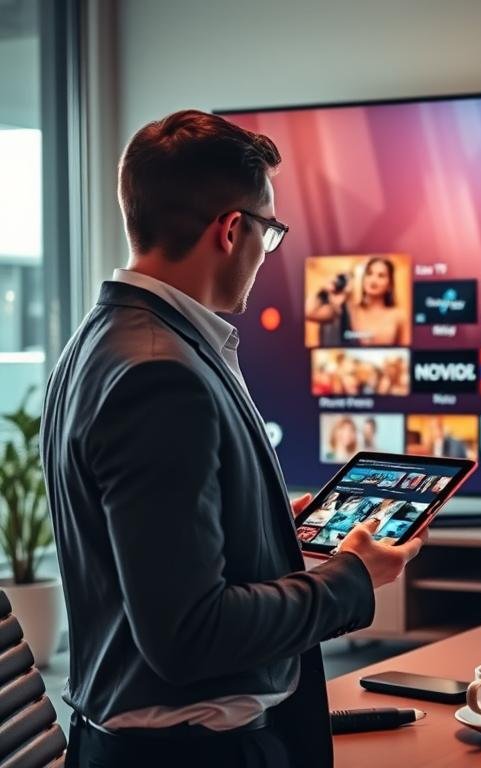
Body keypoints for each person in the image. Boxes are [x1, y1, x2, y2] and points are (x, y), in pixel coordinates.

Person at [40, 110, 425, 768]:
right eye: (270, 232)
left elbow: (157, 558)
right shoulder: (161, 374)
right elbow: (189, 633)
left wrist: (271, 527)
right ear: (231, 229)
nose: (266, 251)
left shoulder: (100, 340)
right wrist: (350, 579)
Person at [306, 256, 411, 346]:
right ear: (363, 278)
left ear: (389, 284)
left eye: (381, 275)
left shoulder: (398, 316)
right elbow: (309, 312)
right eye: (369, 273)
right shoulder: (349, 308)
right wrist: (324, 290)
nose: (373, 279)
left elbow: (408, 350)